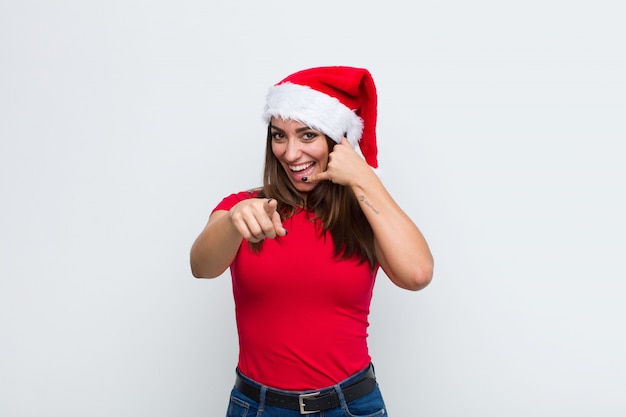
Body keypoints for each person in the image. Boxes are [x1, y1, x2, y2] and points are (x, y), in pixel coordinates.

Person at [190, 66, 434, 416]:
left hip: (351, 405)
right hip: (258, 407)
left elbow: (418, 274)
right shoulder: (245, 209)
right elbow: (201, 267)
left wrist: (364, 179)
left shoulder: (365, 212)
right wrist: (233, 220)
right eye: (279, 136)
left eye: (307, 136)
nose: (290, 154)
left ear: (339, 142)